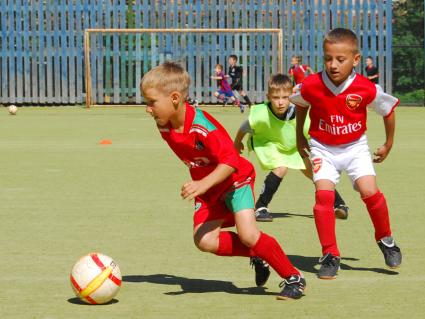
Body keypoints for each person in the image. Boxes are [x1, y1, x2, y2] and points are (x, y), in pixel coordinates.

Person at [140, 61, 306, 300]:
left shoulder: (202, 126)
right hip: (209, 190)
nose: (148, 109)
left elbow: (230, 161)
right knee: (205, 241)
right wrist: (204, 185)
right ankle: (257, 254)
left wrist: (201, 184)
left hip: (235, 180)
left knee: (248, 234)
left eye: (152, 102)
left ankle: (293, 277)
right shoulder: (164, 125)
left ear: (174, 98)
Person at [291, 28, 402, 280]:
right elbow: (300, 105)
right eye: (328, 58)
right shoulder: (311, 85)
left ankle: (386, 240)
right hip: (322, 148)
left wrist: (388, 144)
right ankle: (330, 254)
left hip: (355, 148)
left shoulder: (366, 88)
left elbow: (388, 111)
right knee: (323, 197)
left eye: (340, 60)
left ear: (356, 60)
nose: (333, 65)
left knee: (369, 192)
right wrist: (300, 137)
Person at [234, 73, 349, 222]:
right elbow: (244, 127)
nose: (280, 102)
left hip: (293, 144)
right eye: (276, 98)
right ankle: (261, 206)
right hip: (269, 143)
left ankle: (338, 204)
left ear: (292, 96)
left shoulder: (300, 112)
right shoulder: (261, 114)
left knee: (314, 173)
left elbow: (313, 131)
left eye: (284, 98)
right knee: (281, 168)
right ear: (269, 96)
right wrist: (237, 142)